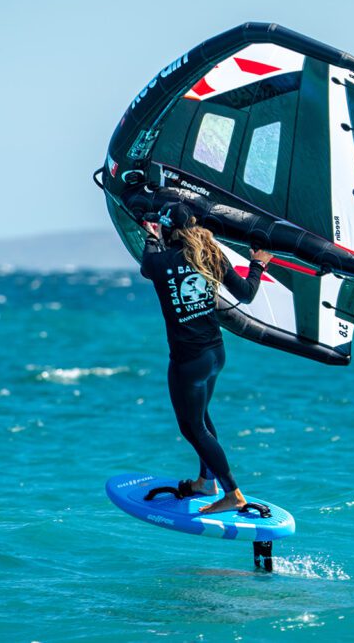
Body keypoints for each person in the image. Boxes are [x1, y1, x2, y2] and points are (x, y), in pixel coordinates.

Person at [140, 202, 273, 514]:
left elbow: (147, 263)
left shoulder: (160, 262)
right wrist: (257, 264)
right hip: (215, 353)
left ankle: (233, 494)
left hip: (188, 361)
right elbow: (246, 293)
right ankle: (206, 481)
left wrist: (151, 234)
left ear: (168, 230)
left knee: (191, 427)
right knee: (201, 418)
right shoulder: (210, 254)